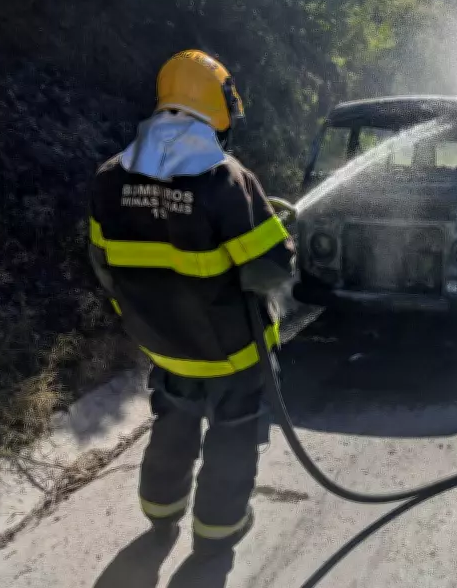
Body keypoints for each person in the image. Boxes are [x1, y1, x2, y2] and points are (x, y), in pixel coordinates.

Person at [87, 50, 295, 555]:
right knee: (234, 430)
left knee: (174, 418)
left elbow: (103, 266)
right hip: (231, 350)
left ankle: (160, 509)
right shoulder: (227, 180)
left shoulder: (110, 177)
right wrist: (281, 234)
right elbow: (270, 269)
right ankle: (218, 530)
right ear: (217, 108)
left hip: (163, 343)